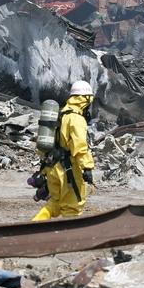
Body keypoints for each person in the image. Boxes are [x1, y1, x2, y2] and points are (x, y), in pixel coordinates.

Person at [33, 80, 96, 221]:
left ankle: (32, 227)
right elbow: (79, 146)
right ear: (85, 100)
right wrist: (87, 167)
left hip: (53, 167)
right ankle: (71, 233)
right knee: (72, 206)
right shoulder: (76, 118)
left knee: (55, 203)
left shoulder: (60, 114)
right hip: (69, 171)